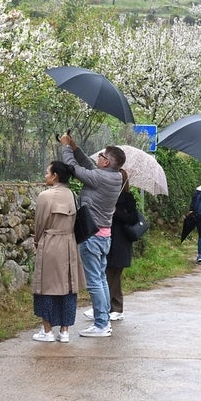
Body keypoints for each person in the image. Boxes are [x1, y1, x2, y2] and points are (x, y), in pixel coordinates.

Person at [59, 133, 125, 338]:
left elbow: (73, 168)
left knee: (95, 281)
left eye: (101, 155)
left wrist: (65, 148)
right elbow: (88, 165)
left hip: (92, 236)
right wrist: (75, 147)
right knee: (102, 280)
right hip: (104, 235)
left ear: (106, 162)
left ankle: (101, 324)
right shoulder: (113, 176)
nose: (98, 157)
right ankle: (103, 320)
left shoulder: (100, 177)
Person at [31, 160, 85, 343]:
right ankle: (65, 331)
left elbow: (40, 224)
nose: (45, 175)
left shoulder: (45, 196)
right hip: (69, 243)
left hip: (50, 243)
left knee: (46, 287)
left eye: (47, 172)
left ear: (55, 176)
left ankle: (47, 331)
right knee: (68, 287)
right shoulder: (71, 194)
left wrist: (38, 241)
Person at [105, 172, 139, 321]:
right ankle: (108, 306)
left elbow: (133, 219)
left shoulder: (128, 198)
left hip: (121, 241)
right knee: (107, 273)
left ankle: (115, 308)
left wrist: (116, 212)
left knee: (113, 273)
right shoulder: (107, 195)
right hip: (107, 238)